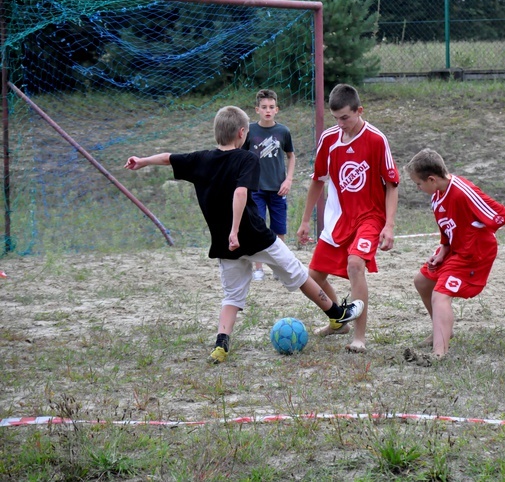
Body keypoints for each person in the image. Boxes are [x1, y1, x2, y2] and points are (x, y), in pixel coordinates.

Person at [124, 106, 363, 364]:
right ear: (241, 133)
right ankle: (337, 316)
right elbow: (240, 193)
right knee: (297, 273)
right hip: (254, 235)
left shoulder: (200, 159)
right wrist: (235, 231)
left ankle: (221, 345)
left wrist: (143, 160)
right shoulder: (247, 159)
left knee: (232, 297)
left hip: (225, 243)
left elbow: (169, 157)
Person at [404, 149, 505, 362]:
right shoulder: (437, 195)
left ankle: (439, 353)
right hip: (456, 249)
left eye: (418, 183)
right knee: (422, 281)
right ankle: (443, 331)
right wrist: (443, 249)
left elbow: (501, 212)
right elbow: (447, 226)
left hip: (475, 253)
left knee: (440, 295)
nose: (417, 188)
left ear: (432, 179)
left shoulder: (464, 191)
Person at [296, 83, 399, 354]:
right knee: (313, 276)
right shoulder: (329, 140)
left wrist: (388, 225)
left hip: (370, 217)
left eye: (345, 117)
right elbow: (317, 181)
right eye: (335, 119)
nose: (340, 124)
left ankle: (359, 337)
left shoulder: (376, 139)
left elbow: (392, 184)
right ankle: (340, 318)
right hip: (338, 219)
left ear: (359, 111)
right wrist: (305, 220)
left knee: (355, 265)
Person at [242, 89, 296, 282]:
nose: (267, 110)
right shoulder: (249, 130)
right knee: (257, 227)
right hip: (256, 189)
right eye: (264, 107)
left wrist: (288, 179)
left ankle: (278, 267)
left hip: (277, 188)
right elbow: (241, 156)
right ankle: (258, 268)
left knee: (278, 229)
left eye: (271, 107)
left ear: (277, 109)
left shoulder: (283, 131)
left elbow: (291, 156)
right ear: (257, 109)